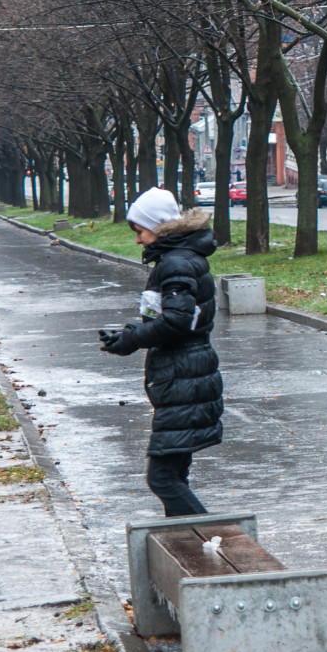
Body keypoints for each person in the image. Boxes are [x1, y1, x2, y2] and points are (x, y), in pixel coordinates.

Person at [98, 187, 223, 516]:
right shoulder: (180, 258)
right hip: (187, 375)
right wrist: (129, 333)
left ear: (158, 227)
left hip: (184, 376)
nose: (138, 240)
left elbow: (176, 323)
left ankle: (210, 544)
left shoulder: (175, 263)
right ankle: (187, 548)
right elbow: (168, 316)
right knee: (175, 475)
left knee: (163, 478)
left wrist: (132, 339)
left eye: (140, 231)